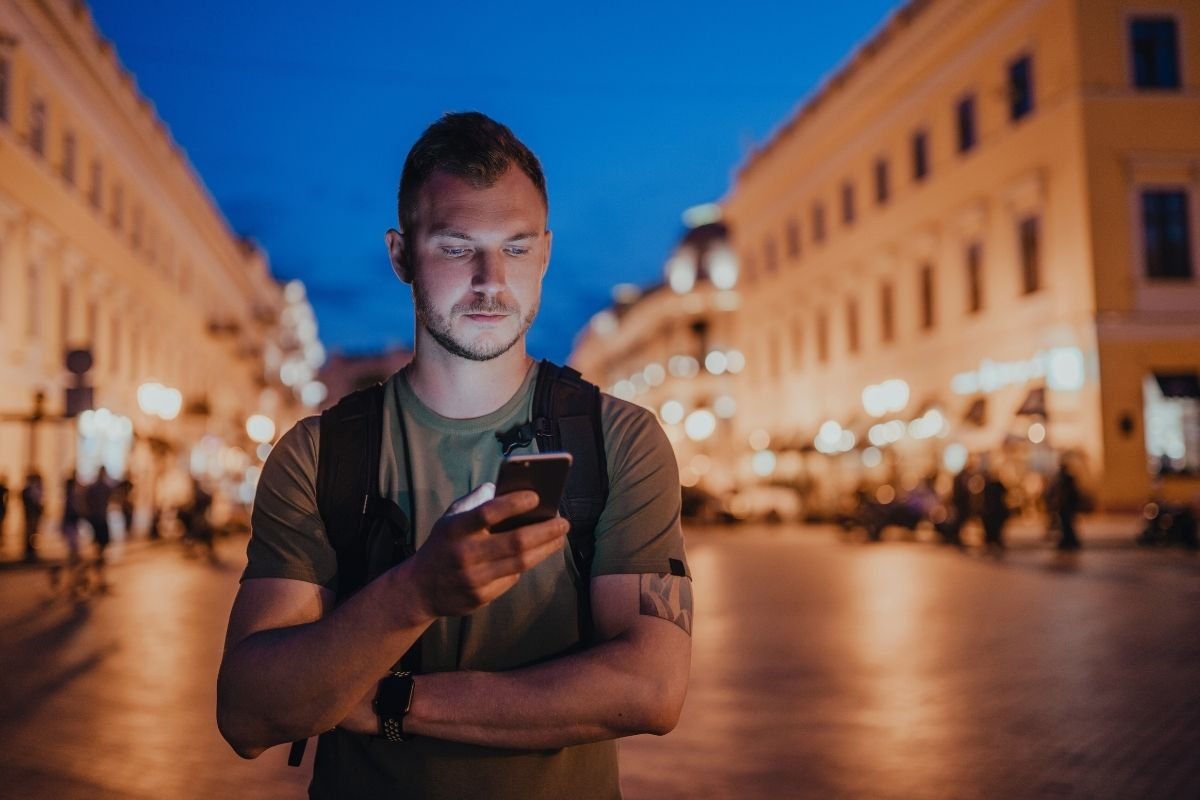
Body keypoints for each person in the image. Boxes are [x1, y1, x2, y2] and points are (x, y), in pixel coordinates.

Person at [217, 112, 692, 798]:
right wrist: (416, 592)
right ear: (401, 255)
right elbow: (249, 713)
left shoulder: (620, 440)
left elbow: (651, 690)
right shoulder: (319, 456)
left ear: (548, 253)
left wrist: (385, 702)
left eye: (517, 248)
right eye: (455, 247)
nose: (490, 280)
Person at [84, 467, 115, 590]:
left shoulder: (104, 487)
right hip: (98, 520)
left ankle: (98, 569)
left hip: (100, 519)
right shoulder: (96, 487)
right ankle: (97, 571)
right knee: (99, 547)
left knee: (101, 546)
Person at [1051, 462, 1082, 551]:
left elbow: (1065, 494)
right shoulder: (1064, 479)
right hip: (1065, 506)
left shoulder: (1064, 479)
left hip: (1066, 507)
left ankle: (1069, 541)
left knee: (1067, 524)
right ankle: (1069, 541)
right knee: (1066, 525)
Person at [980, 470, 1009, 551]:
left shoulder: (990, 485)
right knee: (993, 527)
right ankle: (993, 540)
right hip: (994, 510)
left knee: (994, 527)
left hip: (994, 510)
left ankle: (993, 540)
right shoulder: (991, 485)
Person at [21, 471, 44, 562]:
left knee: (33, 534)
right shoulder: (29, 490)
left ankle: (31, 552)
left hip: (33, 515)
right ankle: (29, 552)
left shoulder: (35, 489)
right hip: (31, 516)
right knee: (30, 533)